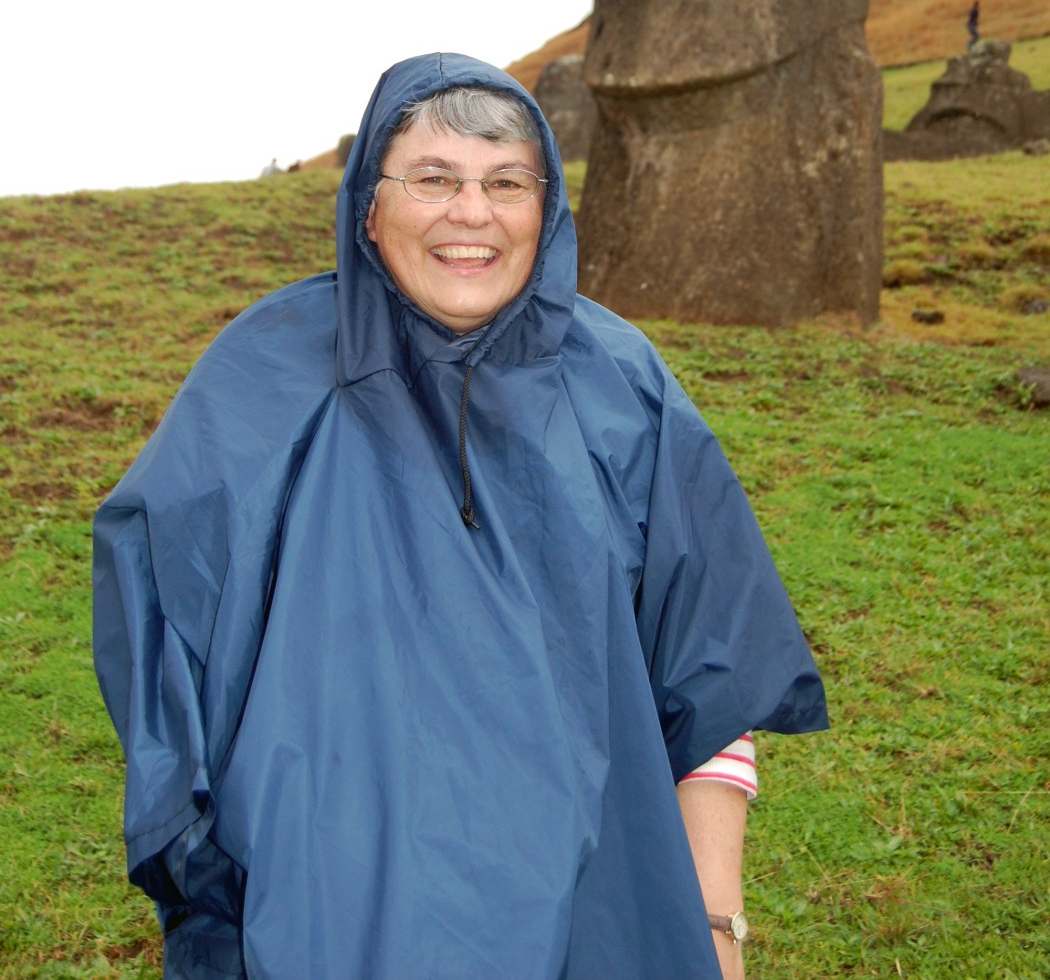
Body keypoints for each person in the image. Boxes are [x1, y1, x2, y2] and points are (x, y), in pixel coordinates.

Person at [94, 52, 827, 980]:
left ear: (546, 205)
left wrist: (715, 926)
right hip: (323, 918)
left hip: (594, 912)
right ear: (369, 202)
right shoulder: (260, 380)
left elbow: (707, 670)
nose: (471, 213)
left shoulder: (621, 387)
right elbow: (162, 636)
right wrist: (220, 878)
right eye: (433, 178)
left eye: (506, 182)